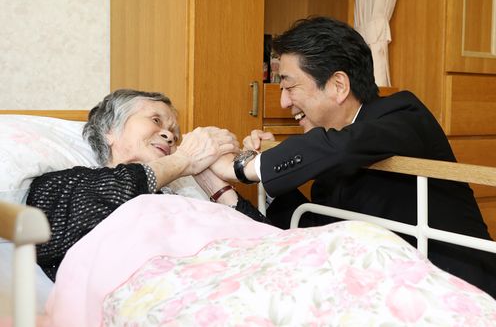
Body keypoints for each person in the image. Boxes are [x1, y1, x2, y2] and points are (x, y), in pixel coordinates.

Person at [210, 16, 496, 298]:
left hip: (462, 290)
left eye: (289, 85)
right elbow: (314, 234)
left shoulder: (402, 114)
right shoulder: (328, 152)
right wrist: (272, 168)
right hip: (387, 293)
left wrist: (246, 166)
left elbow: (345, 146)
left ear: (338, 85)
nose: (283, 101)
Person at [27, 89, 268, 281]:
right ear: (109, 130)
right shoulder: (61, 184)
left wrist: (213, 181)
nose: (170, 136)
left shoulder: (183, 195)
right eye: (156, 120)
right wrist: (184, 160)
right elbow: (50, 240)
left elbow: (266, 241)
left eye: (175, 133)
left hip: (238, 274)